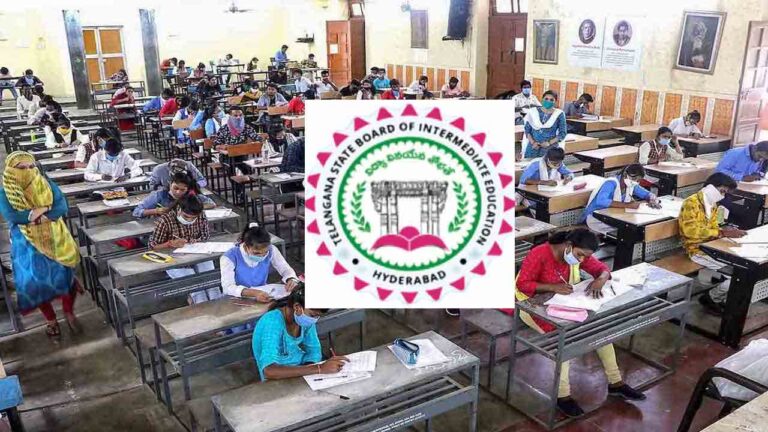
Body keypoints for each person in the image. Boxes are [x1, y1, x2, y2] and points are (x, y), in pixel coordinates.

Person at [514, 228, 645, 416]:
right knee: (565, 340)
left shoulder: (578, 253)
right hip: (532, 307)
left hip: (565, 305)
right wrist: (553, 287)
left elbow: (601, 269)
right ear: (568, 245)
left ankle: (616, 382)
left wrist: (601, 279)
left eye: (585, 257)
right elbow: (523, 284)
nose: (582, 260)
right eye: (580, 255)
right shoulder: (540, 254)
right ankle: (562, 396)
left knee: (599, 331)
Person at [0, 151, 81, 337]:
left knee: (65, 276)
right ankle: (51, 320)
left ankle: (69, 312)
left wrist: (40, 212)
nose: (28, 171)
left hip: (56, 238)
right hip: (26, 243)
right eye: (22, 168)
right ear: (11, 170)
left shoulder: (45, 184)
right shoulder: (6, 192)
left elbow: (61, 206)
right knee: (35, 284)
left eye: (31, 167)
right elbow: (12, 216)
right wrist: (42, 212)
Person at [679, 173, 745, 315]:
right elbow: (690, 231)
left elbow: (715, 227)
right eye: (722, 191)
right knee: (738, 277)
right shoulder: (691, 202)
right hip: (697, 250)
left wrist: (726, 233)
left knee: (741, 268)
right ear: (711, 187)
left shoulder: (713, 204)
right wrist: (721, 233)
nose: (723, 195)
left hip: (712, 247)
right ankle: (711, 298)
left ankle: (720, 298)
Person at [252, 284, 345, 381]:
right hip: (278, 378)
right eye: (313, 315)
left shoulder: (304, 318)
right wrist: (319, 368)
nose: (314, 320)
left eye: (317, 316)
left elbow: (314, 351)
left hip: (300, 370)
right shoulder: (272, 322)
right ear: (297, 307)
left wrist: (310, 370)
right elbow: (269, 371)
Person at [221, 223, 299, 302]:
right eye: (256, 253)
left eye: (265, 252)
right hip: (237, 298)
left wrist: (291, 279)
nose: (262, 256)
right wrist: (254, 293)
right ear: (246, 246)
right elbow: (228, 287)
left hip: (264, 294)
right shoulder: (229, 257)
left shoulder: (271, 249)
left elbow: (285, 268)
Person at [581, 164, 659, 234]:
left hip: (613, 216)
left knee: (631, 228)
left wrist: (652, 199)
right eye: (634, 178)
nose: (636, 182)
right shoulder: (611, 183)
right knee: (626, 230)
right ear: (625, 174)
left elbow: (647, 194)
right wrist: (627, 205)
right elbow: (601, 201)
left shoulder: (632, 185)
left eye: (638, 180)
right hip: (595, 218)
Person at [134, 172, 214, 218]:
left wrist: (194, 207)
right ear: (170, 184)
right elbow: (136, 212)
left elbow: (211, 203)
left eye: (182, 190)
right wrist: (155, 211)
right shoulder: (159, 195)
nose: (178, 192)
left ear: (187, 189)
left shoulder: (190, 195)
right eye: (175, 188)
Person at [522, 90, 567, 159]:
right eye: (546, 99)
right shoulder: (533, 112)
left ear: (555, 102)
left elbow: (562, 133)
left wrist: (549, 143)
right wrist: (533, 142)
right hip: (533, 146)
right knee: (530, 164)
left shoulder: (559, 114)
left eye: (551, 100)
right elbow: (527, 130)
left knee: (547, 164)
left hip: (550, 147)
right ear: (542, 99)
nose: (548, 101)